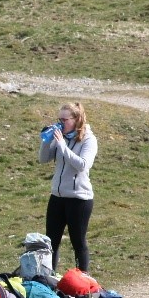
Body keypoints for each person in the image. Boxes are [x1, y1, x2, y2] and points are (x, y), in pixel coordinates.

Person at [39, 102, 98, 272]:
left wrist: (63, 147)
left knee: (78, 242)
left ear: (76, 119)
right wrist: (45, 141)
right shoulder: (61, 137)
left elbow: (83, 165)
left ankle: (83, 282)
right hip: (57, 196)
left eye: (64, 119)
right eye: (59, 119)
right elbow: (43, 159)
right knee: (51, 241)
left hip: (79, 198)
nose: (61, 122)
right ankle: (50, 281)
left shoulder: (89, 140)